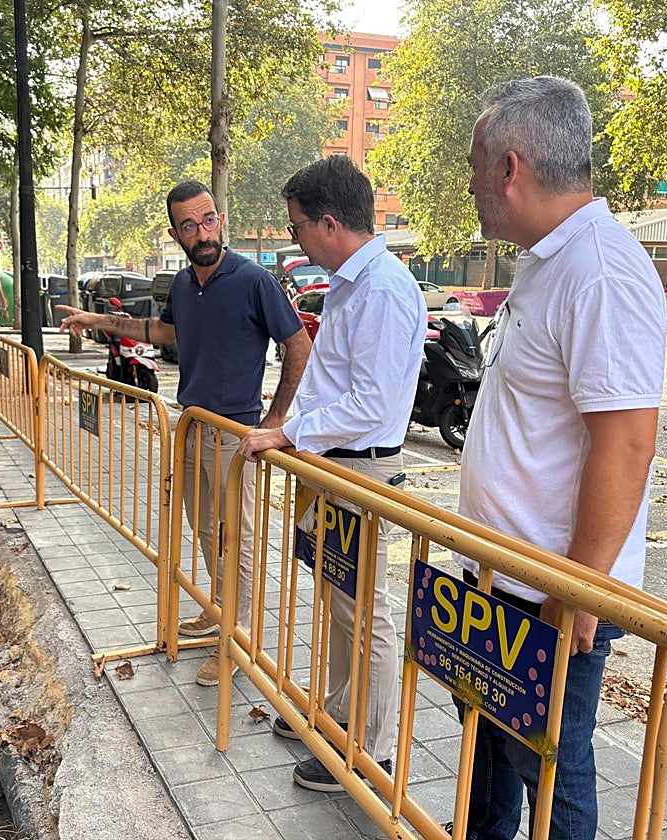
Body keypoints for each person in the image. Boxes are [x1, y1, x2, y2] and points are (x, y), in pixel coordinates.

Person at [451, 76, 665, 840]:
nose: (470, 182)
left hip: (549, 591)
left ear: (510, 167)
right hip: (499, 573)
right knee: (491, 754)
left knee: (549, 769)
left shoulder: (601, 269)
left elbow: (628, 442)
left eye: (474, 164)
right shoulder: (548, 259)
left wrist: (575, 588)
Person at [57, 181, 312, 686]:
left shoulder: (255, 280)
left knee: (234, 538)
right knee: (204, 530)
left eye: (209, 219)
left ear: (221, 219)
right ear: (176, 234)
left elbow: (298, 346)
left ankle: (235, 639)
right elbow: (165, 332)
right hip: (191, 427)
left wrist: (275, 421)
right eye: (190, 225)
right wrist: (97, 320)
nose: (203, 232)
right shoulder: (180, 283)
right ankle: (219, 611)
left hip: (233, 434)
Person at [237, 154, 427, 793]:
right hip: (331, 470)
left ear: (327, 223)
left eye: (295, 228)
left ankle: (363, 750)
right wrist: (290, 431)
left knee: (364, 612)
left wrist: (287, 432)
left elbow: (371, 403)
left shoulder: (381, 289)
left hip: (359, 473)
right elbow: (332, 382)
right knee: (341, 606)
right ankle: (340, 714)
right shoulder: (351, 284)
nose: (294, 238)